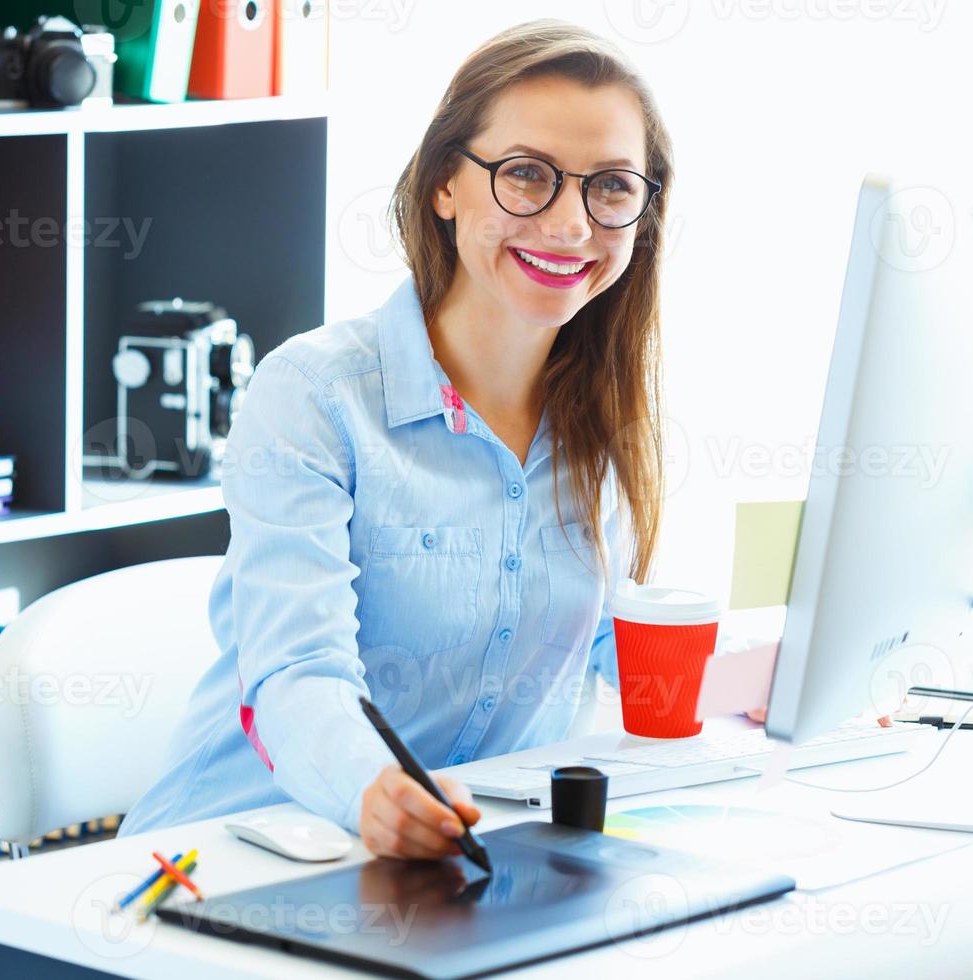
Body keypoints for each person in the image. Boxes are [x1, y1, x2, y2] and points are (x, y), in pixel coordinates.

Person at [119, 19, 674, 860]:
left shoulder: (607, 422)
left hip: (460, 875)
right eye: (526, 176)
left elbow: (626, 646)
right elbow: (296, 674)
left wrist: (814, 667)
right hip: (233, 863)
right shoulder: (314, 395)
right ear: (446, 182)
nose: (570, 223)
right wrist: (371, 791)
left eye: (611, 187)